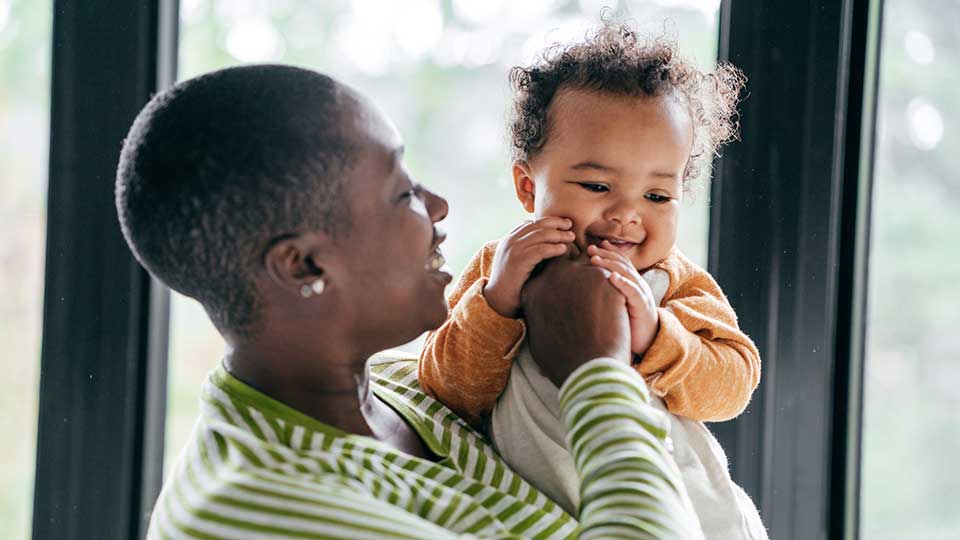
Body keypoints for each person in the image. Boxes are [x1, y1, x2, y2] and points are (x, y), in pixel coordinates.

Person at [116, 63, 702, 539]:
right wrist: (595, 369)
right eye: (402, 192)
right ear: (303, 264)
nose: (439, 206)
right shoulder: (264, 513)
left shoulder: (402, 389)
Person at [418, 23, 767, 539]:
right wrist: (498, 301)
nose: (627, 214)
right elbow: (445, 388)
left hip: (686, 512)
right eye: (598, 185)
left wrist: (655, 337)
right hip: (544, 518)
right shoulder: (501, 268)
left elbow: (734, 384)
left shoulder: (672, 282)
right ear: (526, 186)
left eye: (657, 196)